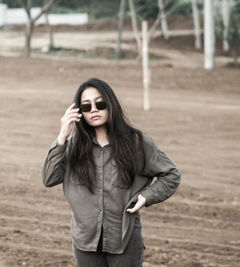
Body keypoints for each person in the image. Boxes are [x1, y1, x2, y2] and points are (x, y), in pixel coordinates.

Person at [42, 78, 181, 267]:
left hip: (124, 239)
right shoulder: (72, 146)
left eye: (100, 104)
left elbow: (171, 174)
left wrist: (146, 196)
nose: (94, 110)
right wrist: (62, 136)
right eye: (86, 107)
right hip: (85, 241)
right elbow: (50, 178)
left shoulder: (137, 143)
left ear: (111, 105)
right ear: (79, 113)